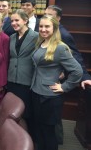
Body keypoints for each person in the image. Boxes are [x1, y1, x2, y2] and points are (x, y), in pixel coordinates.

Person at [31, 15, 82, 150]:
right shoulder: (40, 43)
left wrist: (64, 87)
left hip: (50, 97)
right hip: (36, 92)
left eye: (47, 26)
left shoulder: (60, 47)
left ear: (54, 27)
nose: (43, 29)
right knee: (39, 130)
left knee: (49, 134)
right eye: (41, 26)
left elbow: (77, 71)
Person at [45, 4, 91, 144]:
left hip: (56, 83)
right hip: (47, 79)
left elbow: (75, 57)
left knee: (54, 118)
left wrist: (85, 77)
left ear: (58, 18)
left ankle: (57, 143)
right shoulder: (48, 30)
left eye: (50, 15)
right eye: (45, 14)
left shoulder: (63, 34)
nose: (46, 18)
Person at [7, 9, 38, 136]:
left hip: (26, 80)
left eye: (17, 20)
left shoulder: (36, 36)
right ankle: (12, 138)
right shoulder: (11, 37)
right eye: (12, 21)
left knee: (25, 113)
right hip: (11, 79)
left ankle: (25, 140)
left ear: (25, 20)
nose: (14, 23)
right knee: (11, 112)